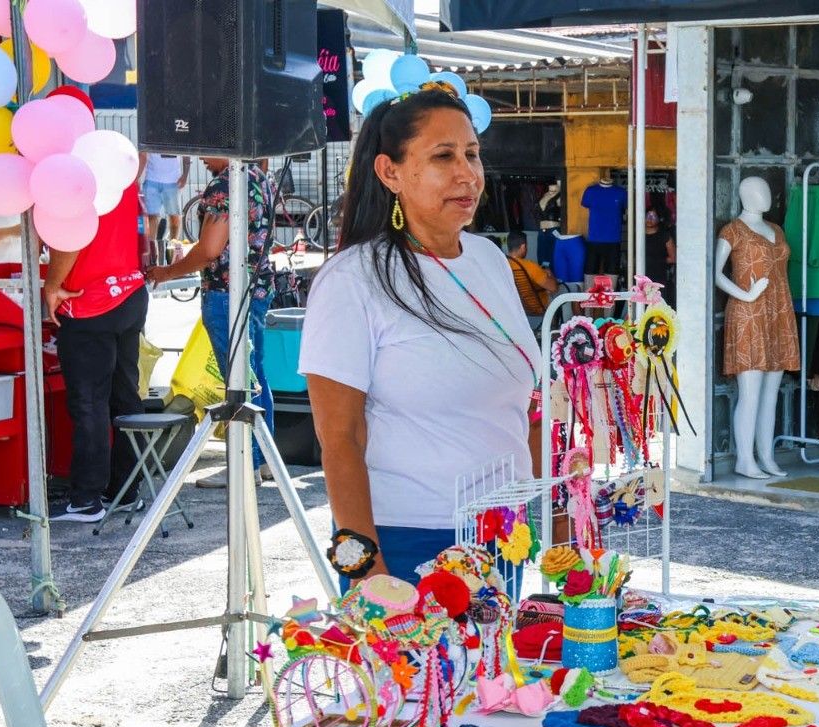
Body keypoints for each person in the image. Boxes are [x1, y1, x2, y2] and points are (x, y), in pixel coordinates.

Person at [299, 82, 539, 584]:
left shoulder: (490, 260)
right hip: (407, 544)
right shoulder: (352, 279)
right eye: (443, 156)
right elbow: (339, 439)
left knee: (498, 667)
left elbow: (519, 404)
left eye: (472, 154)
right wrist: (368, 570)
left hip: (501, 538)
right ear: (390, 172)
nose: (466, 174)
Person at [146, 157, 278, 487]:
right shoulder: (260, 177)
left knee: (238, 380)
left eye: (206, 150)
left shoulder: (225, 185)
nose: (201, 158)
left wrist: (167, 272)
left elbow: (209, 249)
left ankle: (244, 465)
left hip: (227, 294)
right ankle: (262, 460)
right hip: (257, 288)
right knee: (254, 375)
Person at [43, 180, 148, 523]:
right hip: (129, 290)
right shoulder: (121, 172)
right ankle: (126, 489)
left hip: (87, 300)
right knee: (124, 396)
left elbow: (70, 239)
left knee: (90, 402)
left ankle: (87, 499)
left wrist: (53, 284)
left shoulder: (70, 176)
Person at [138, 151, 189, 257]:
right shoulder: (149, 133)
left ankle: (173, 252)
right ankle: (152, 253)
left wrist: (185, 175)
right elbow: (143, 154)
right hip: (152, 179)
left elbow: (186, 153)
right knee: (151, 217)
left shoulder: (177, 133)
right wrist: (136, 177)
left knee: (174, 217)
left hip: (173, 181)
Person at [505, 230, 556, 321]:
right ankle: (556, 328)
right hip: (537, 306)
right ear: (523, 246)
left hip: (518, 307)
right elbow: (553, 288)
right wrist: (550, 273)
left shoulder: (502, 264)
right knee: (567, 290)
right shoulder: (529, 266)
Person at [644, 208, 675, 306]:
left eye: (653, 216)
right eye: (648, 216)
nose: (650, 219)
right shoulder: (638, 235)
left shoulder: (665, 236)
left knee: (659, 305)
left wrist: (657, 261)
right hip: (642, 277)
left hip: (659, 276)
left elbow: (673, 258)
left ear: (659, 219)